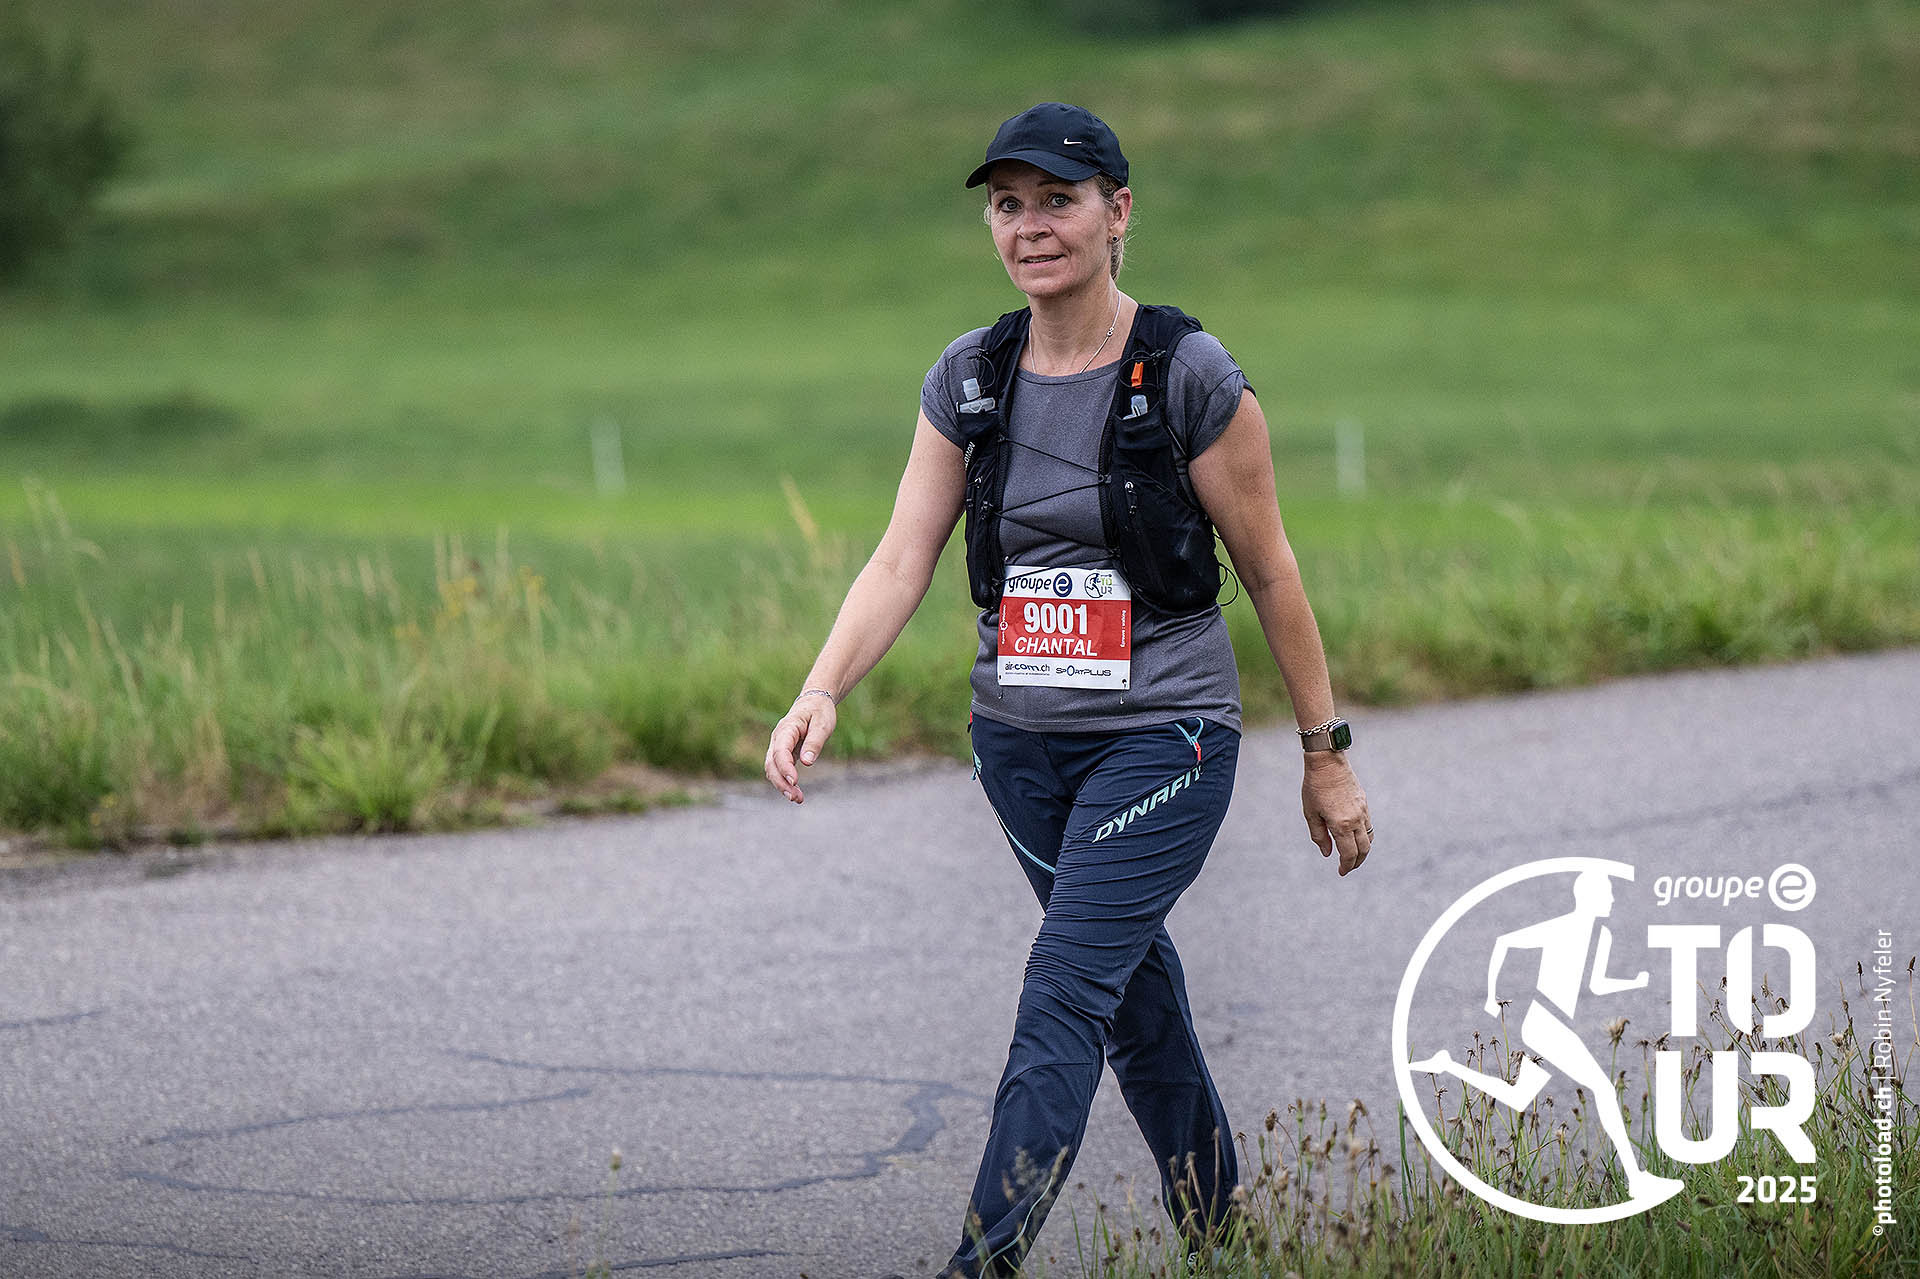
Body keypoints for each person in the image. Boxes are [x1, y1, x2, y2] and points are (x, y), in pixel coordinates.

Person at [763, 102, 1374, 1278]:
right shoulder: (970, 377)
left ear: (1117, 212)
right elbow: (901, 560)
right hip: (1018, 751)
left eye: (1059, 200)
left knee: (1063, 987)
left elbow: (1271, 571)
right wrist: (821, 686)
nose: (1031, 225)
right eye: (1009, 204)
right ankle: (1224, 1239)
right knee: (1129, 997)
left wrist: (1325, 751)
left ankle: (981, 1262)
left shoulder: (1189, 375)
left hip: (1166, 739)